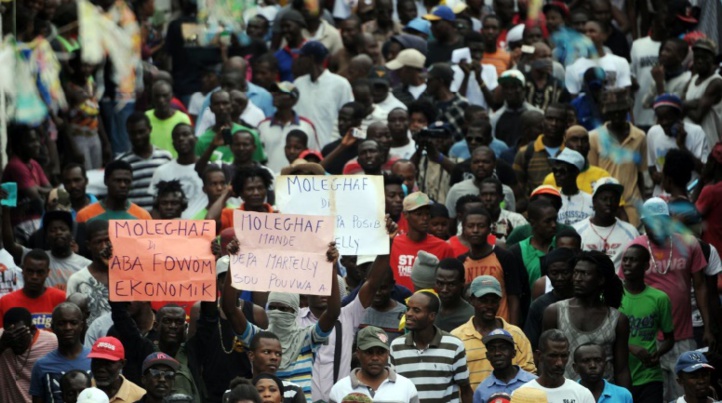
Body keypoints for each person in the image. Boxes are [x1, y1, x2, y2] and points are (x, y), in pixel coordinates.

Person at [222, 242, 342, 400]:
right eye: (273, 307)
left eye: (285, 309)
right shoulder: (257, 338)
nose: (278, 312)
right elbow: (229, 308)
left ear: (295, 312)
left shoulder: (307, 338)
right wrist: (234, 262)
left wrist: (331, 268)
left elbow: (332, 313)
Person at [622, 197, 713, 401]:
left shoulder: (688, 243)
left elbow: (700, 286)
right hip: (647, 338)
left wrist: (708, 326)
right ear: (643, 222)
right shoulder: (635, 249)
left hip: (682, 334)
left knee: (685, 394)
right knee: (655, 395)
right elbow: (623, 289)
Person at [297, 226, 392, 401]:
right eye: (318, 286)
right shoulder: (295, 320)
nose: (323, 292)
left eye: (327, 285)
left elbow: (372, 284)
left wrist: (387, 243)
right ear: (306, 291)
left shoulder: (347, 316)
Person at [543, 251, 631, 388]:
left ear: (600, 279)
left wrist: (625, 398)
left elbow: (622, 369)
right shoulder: (554, 312)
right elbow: (545, 360)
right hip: (565, 393)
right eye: (576, 272)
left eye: (585, 274)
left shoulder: (617, 320)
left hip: (603, 395)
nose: (577, 278)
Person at [451, 276, 535, 390]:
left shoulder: (516, 334)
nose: (489, 306)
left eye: (494, 301)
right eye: (483, 301)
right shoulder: (457, 337)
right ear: (471, 300)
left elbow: (529, 375)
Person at [390, 290, 473, 403]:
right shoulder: (396, 346)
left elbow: (465, 390)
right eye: (408, 308)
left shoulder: (454, 345)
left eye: (416, 310)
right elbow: (393, 389)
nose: (408, 314)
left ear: (431, 316)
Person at [619, 244, 674, 403]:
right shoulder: (613, 296)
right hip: (620, 375)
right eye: (625, 260)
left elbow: (669, 338)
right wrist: (631, 348)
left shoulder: (659, 298)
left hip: (649, 376)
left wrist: (658, 353)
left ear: (646, 265)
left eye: (633, 260)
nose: (627, 264)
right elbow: (605, 334)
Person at [588, 89, 648, 227]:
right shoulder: (595, 137)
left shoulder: (639, 136)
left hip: (631, 206)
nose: (616, 115)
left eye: (620, 111)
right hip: (605, 205)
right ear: (606, 113)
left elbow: (640, 173)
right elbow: (592, 176)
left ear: (627, 110)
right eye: (612, 112)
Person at [457, 207, 525, 324]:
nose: (475, 230)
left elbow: (513, 297)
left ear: (489, 229)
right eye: (470, 226)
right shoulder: (461, 261)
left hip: (501, 327)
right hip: (471, 329)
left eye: (481, 226)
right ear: (463, 229)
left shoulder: (504, 257)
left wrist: (514, 330)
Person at [3, 207, 91, 289]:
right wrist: (5, 210)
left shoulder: (86, 265)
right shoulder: (36, 259)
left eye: (63, 229)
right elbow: (10, 246)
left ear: (71, 234)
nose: (58, 232)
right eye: (53, 230)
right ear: (47, 237)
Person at [328, 326, 419, 403]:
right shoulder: (339, 389)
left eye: (380, 352)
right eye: (369, 352)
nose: (375, 357)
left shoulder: (406, 387)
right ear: (358, 353)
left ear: (388, 354)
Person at [295, 41, 354, 148]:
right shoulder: (298, 83)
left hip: (328, 149)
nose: (297, 61)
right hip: (302, 149)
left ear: (311, 58)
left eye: (301, 57)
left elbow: (347, 118)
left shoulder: (340, 84)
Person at [390, 192, 454, 290]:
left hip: (430, 303)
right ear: (405, 215)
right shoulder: (393, 244)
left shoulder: (443, 247)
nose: (424, 218)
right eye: (418, 214)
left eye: (427, 214)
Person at [648, 94, 709, 197]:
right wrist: (656, 176)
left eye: (668, 118)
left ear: (679, 116)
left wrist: (682, 147)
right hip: (662, 199)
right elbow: (651, 166)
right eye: (660, 119)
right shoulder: (653, 133)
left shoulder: (696, 132)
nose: (664, 123)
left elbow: (704, 171)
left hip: (690, 196)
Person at [30, 302, 91, 403]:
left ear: (82, 325)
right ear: (53, 327)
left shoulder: (95, 360)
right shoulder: (41, 366)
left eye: (73, 323)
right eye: (61, 323)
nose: (68, 328)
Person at [514, 330, 595, 403]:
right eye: (553, 356)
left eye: (563, 356)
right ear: (539, 356)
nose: (559, 363)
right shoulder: (523, 395)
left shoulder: (582, 394)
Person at [2, 125, 52, 242]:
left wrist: (38, 189)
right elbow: (34, 196)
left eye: (37, 140)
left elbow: (50, 190)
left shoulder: (33, 164)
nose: (37, 144)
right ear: (19, 145)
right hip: (20, 222)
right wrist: (39, 190)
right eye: (32, 141)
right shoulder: (15, 166)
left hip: (32, 219)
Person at [573, 178, 639, 266]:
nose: (609, 203)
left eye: (614, 199)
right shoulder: (577, 231)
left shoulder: (631, 231)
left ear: (619, 202)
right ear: (594, 201)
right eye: (604, 199)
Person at [147, 123, 206, 219]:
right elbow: (155, 208)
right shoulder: (162, 171)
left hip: (203, 229)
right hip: (171, 230)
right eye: (176, 136)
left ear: (195, 139)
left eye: (186, 134)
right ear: (173, 144)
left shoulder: (208, 169)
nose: (181, 138)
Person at [116, 112, 173, 211]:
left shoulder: (165, 157)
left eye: (141, 132)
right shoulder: (121, 162)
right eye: (133, 133)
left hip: (160, 221)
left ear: (150, 130)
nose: (138, 137)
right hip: (134, 221)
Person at [0, 307, 58, 403]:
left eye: (20, 335)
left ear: (32, 330)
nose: (15, 341)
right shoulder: (3, 339)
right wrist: (2, 345)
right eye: (12, 337)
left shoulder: (51, 341)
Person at [258, 82, 319, 172]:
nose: (275, 95)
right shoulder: (263, 125)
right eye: (275, 93)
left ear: (293, 99)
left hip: (297, 179)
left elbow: (313, 157)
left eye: (281, 93)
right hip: (270, 180)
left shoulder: (306, 126)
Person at [513, 103, 570, 198]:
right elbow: (518, 188)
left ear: (566, 124)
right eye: (550, 119)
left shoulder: (571, 152)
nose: (554, 124)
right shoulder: (526, 153)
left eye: (559, 120)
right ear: (543, 121)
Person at [524, 248, 576, 350]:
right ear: (547, 274)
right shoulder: (539, 305)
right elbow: (531, 345)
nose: (560, 278)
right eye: (554, 273)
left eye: (565, 272)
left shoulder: (584, 302)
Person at [194, 90, 265, 165]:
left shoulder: (250, 135)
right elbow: (198, 169)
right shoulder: (202, 141)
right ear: (211, 108)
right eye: (216, 104)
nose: (221, 107)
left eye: (225, 103)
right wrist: (212, 146)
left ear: (231, 106)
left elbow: (259, 165)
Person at [0, 249, 66, 328]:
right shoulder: (6, 302)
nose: (34, 277)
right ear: (22, 270)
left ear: (48, 272)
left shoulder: (61, 298)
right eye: (30, 271)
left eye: (40, 272)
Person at [564, 20, 631, 96]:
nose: (587, 34)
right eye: (584, 32)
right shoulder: (572, 68)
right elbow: (574, 101)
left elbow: (626, 94)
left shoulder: (620, 62)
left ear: (604, 35)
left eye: (592, 31)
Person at [446, 147, 516, 217]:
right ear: (471, 165)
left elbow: (511, 219)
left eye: (485, 162)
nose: (480, 165)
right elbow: (450, 220)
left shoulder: (506, 191)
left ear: (494, 165)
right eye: (476, 162)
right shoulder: (456, 190)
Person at [76, 160, 153, 223]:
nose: (123, 185)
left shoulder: (143, 217)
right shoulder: (85, 215)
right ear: (106, 181)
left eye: (127, 181)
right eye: (117, 181)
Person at [66, 219, 112, 325]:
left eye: (107, 240)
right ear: (88, 245)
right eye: (99, 242)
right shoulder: (77, 280)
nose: (104, 246)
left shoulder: (125, 274)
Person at [472, 328, 537, 403]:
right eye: (492, 349)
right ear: (487, 356)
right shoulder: (482, 390)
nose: (497, 353)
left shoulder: (532, 382)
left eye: (503, 348)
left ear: (513, 353)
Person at [508, 199, 558, 288]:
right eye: (548, 221)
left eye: (555, 220)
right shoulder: (517, 252)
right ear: (533, 223)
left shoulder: (560, 245)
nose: (553, 225)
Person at [683, 38, 722, 149]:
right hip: (688, 140)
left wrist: (683, 105)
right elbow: (678, 105)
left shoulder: (716, 82)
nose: (700, 61)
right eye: (697, 57)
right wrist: (693, 103)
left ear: (712, 59)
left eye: (705, 57)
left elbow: (698, 116)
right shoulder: (693, 79)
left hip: (708, 141)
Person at [246, 332, 305, 403]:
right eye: (267, 352)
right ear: (251, 356)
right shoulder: (236, 391)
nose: (274, 357)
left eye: (278, 354)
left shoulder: (292, 391)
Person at [491, 71, 542, 149]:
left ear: (523, 89)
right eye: (506, 87)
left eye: (514, 87)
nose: (509, 91)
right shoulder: (495, 118)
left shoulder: (536, 115)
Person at [88, 336, 146, 403]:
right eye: (96, 362)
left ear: (122, 364)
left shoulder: (139, 396)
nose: (101, 369)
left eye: (108, 363)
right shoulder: (82, 389)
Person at [216, 166, 274, 232]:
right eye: (250, 189)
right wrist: (227, 193)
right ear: (241, 193)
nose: (256, 193)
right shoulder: (230, 215)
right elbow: (210, 220)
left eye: (260, 188)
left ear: (266, 190)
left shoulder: (278, 218)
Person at [145, 81, 192, 158]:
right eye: (157, 96)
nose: (161, 100)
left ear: (171, 96)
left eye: (165, 96)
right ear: (152, 97)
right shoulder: (146, 118)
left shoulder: (182, 119)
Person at [550, 148, 594, 225]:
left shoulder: (591, 201)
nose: (557, 175)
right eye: (555, 171)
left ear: (575, 172)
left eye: (562, 171)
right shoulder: (552, 200)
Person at [478, 178, 528, 243]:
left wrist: (511, 235)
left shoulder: (516, 219)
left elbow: (528, 245)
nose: (488, 198)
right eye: (484, 194)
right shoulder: (470, 221)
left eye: (493, 194)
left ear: (502, 197)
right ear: (479, 197)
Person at [434, 258, 474, 332]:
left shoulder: (471, 317)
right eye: (440, 283)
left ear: (462, 283)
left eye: (451, 284)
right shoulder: (429, 309)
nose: (444, 290)